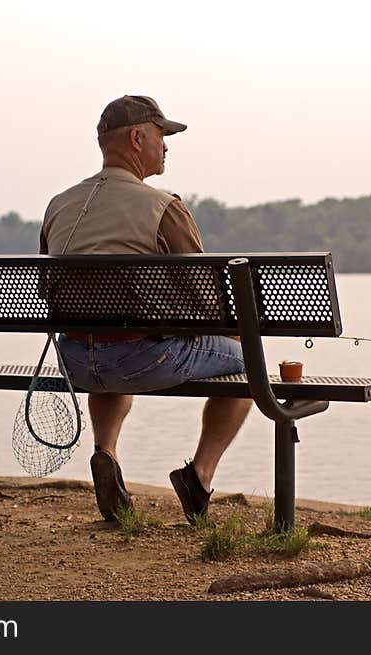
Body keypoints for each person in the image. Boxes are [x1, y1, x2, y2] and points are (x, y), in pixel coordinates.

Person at [40, 95, 253, 525]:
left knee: (106, 334)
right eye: (162, 135)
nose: (167, 145)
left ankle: (106, 452)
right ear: (137, 138)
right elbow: (208, 302)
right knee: (250, 363)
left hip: (75, 361)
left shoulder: (58, 205)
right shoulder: (163, 207)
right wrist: (235, 335)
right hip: (142, 360)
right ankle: (200, 474)